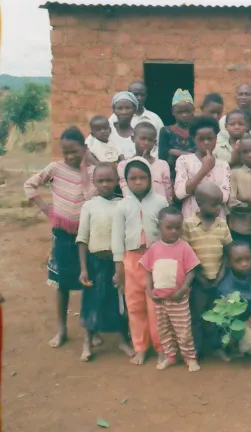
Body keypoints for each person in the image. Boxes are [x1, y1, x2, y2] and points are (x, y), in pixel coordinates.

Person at [24, 127, 96, 349]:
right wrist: (46, 209)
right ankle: (61, 329)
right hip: (63, 235)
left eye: (75, 151)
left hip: (88, 238)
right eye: (66, 152)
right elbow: (30, 184)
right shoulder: (55, 168)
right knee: (62, 283)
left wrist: (86, 168)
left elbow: (91, 197)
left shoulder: (94, 172)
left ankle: (90, 330)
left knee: (89, 283)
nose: (70, 156)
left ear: (85, 148)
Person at [112, 157, 168, 365]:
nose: (138, 182)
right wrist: (119, 267)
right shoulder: (122, 206)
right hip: (131, 261)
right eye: (132, 178)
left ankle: (161, 347)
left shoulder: (160, 202)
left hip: (156, 260)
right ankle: (140, 347)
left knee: (156, 307)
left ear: (150, 179)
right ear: (126, 181)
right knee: (134, 306)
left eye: (142, 177)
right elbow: (117, 237)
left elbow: (167, 232)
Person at [76, 163, 133, 361]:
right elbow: (82, 239)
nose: (105, 184)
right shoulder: (89, 206)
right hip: (95, 262)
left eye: (109, 180)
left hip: (117, 263)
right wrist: (83, 268)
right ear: (94, 182)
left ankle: (123, 340)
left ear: (117, 181)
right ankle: (87, 342)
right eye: (100, 181)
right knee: (92, 302)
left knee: (120, 303)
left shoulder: (123, 204)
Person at [139, 206, 201, 372]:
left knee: (183, 330)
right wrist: (149, 290)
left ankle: (190, 357)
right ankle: (170, 356)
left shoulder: (184, 247)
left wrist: (183, 289)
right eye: (169, 227)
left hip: (178, 299)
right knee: (164, 330)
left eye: (177, 228)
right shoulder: (154, 248)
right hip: (159, 300)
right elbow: (148, 271)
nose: (174, 231)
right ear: (159, 226)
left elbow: (191, 271)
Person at [182, 182, 233, 359]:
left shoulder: (222, 225)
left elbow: (227, 254)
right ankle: (197, 349)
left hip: (218, 280)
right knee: (197, 316)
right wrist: (199, 278)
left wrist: (220, 277)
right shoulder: (188, 225)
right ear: (200, 203)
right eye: (214, 204)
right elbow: (186, 256)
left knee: (218, 315)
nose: (219, 208)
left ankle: (216, 347)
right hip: (198, 281)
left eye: (220, 204)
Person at [174, 116, 230, 218]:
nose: (206, 142)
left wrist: (194, 189)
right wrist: (204, 170)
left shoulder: (223, 165)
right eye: (201, 139)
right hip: (191, 217)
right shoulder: (184, 161)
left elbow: (225, 197)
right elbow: (180, 193)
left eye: (210, 138)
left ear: (216, 138)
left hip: (217, 220)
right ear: (193, 139)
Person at [216, 241, 251, 358]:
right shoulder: (226, 286)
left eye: (248, 259)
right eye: (238, 260)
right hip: (237, 322)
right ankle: (234, 347)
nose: (244, 264)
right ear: (229, 263)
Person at [117, 122, 172, 203]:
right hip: (135, 207)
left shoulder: (162, 164)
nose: (146, 143)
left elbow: (168, 193)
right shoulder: (124, 165)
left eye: (150, 140)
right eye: (143, 138)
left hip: (160, 207)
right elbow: (126, 193)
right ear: (133, 138)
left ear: (155, 142)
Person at [108, 82, 164, 154]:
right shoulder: (115, 117)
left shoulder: (155, 119)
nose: (139, 98)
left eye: (142, 95)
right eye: (135, 94)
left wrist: (148, 158)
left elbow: (159, 145)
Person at [158, 89, 197, 177]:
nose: (184, 115)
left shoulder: (198, 131)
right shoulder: (166, 131)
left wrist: (174, 152)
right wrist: (192, 156)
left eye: (187, 111)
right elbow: (163, 156)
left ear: (193, 110)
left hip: (195, 176)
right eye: (180, 112)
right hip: (171, 176)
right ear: (173, 112)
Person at [110, 91, 139, 158]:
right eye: (119, 108)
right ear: (114, 110)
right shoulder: (105, 130)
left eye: (128, 108)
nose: (124, 112)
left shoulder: (140, 133)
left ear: (134, 110)